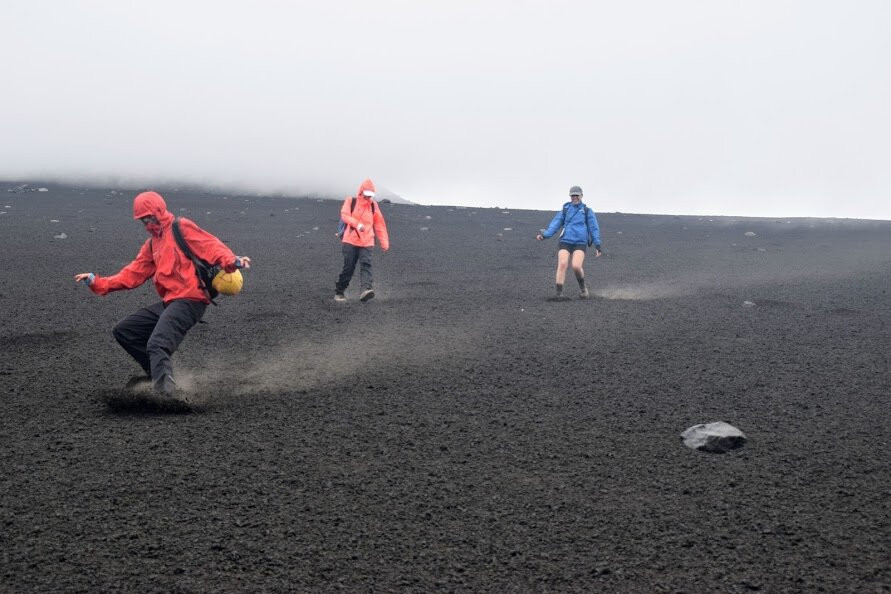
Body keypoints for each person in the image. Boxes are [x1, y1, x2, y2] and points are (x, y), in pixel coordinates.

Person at [74, 191, 251, 401]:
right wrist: (97, 282)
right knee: (125, 330)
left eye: (150, 217)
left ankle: (165, 396)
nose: (147, 223)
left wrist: (232, 261)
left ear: (159, 211)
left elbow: (210, 245)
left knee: (157, 344)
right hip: (171, 302)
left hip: (191, 300)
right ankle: (156, 377)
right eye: (143, 220)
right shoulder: (152, 245)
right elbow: (132, 274)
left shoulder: (180, 227)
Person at [536, 185, 602, 299]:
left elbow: (594, 228)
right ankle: (559, 294)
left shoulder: (587, 211)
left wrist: (597, 244)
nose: (574, 197)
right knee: (562, 264)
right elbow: (555, 224)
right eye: (572, 195)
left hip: (580, 242)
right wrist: (545, 235)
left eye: (577, 195)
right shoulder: (565, 210)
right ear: (570, 196)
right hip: (565, 240)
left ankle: (583, 289)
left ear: (581, 195)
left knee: (576, 266)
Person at [334, 179, 390, 302]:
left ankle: (366, 290)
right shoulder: (351, 201)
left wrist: (384, 242)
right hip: (350, 240)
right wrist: (357, 224)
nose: (368, 196)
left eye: (370, 194)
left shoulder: (373, 205)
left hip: (367, 241)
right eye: (366, 193)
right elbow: (345, 215)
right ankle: (339, 292)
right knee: (348, 267)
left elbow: (380, 224)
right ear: (361, 191)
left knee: (366, 265)